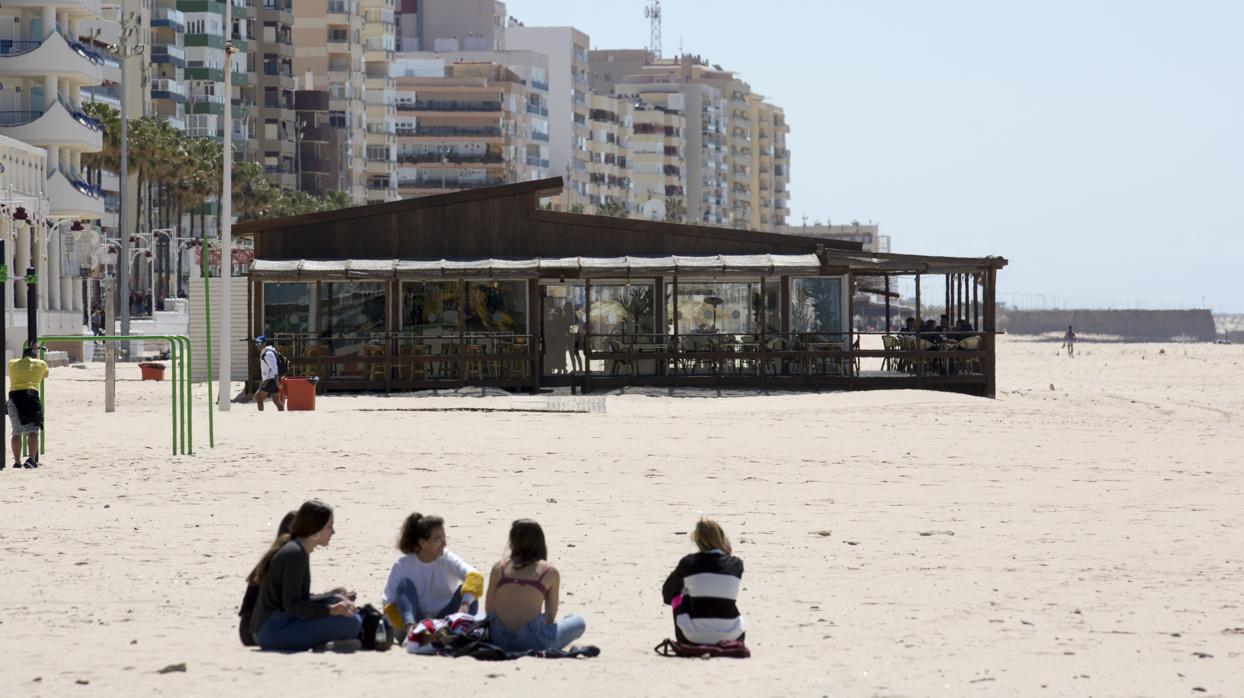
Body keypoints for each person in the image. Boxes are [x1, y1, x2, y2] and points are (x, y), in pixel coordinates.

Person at [247, 499, 362, 651]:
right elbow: (292, 605)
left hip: (273, 626)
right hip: (272, 631)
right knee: (351, 622)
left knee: (344, 607)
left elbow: (296, 599)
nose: (333, 532)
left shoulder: (298, 550)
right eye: (329, 526)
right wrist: (330, 609)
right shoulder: (295, 554)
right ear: (315, 529)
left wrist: (331, 598)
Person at [485, 519, 585, 652]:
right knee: (577, 621)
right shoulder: (549, 572)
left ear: (512, 543)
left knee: (477, 617)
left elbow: (489, 610)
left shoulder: (500, 568)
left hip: (498, 640)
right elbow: (550, 616)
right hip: (533, 641)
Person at [381, 513, 484, 637]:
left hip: (445, 620)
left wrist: (464, 605)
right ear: (423, 543)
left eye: (444, 538)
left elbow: (475, 576)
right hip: (415, 621)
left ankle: (457, 633)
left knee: (469, 592)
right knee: (404, 585)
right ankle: (412, 633)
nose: (444, 544)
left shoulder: (446, 558)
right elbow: (388, 605)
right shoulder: (402, 565)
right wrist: (408, 623)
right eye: (438, 539)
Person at [661, 518, 746, 645]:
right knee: (722, 595)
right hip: (733, 636)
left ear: (697, 540)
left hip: (692, 638)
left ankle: (691, 632)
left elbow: (667, 593)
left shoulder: (689, 563)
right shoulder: (736, 564)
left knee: (678, 594)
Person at [239, 510, 298, 646]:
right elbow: (292, 602)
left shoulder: (273, 555)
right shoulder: (286, 558)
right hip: (257, 631)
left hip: (247, 629)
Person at [7, 346, 48, 470]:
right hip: (30, 396)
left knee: (16, 432)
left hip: (14, 397)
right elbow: (46, 375)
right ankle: (31, 459)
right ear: (35, 356)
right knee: (33, 431)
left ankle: (17, 462)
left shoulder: (12, 363)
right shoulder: (41, 363)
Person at [253, 336, 285, 412]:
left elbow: (274, 367)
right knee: (276, 400)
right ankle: (282, 414)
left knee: (259, 397)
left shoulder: (268, 354)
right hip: (271, 379)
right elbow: (266, 370)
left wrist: (277, 381)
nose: (257, 345)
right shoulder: (265, 352)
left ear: (264, 344)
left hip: (271, 380)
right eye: (256, 343)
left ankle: (261, 415)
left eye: (259, 343)